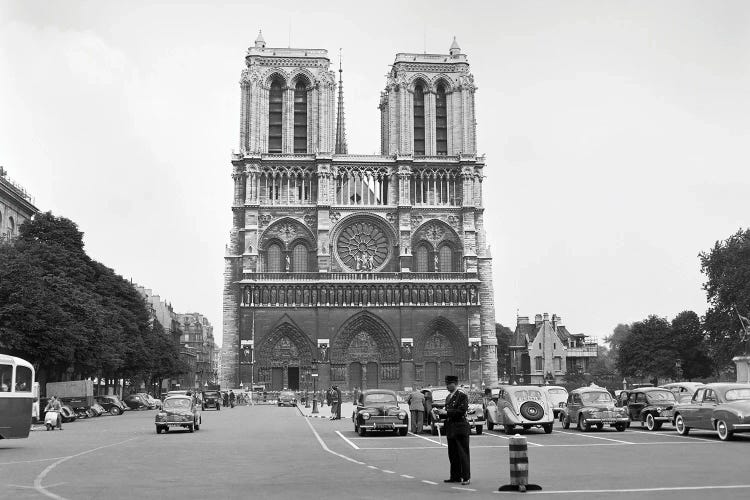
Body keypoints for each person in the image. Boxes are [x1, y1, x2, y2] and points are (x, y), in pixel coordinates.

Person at [434, 375, 470, 485]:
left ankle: (466, 477)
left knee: (463, 453)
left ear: (455, 384)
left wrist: (446, 412)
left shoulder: (461, 396)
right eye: (447, 384)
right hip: (451, 428)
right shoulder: (448, 397)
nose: (447, 386)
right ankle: (455, 476)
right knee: (453, 454)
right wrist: (439, 414)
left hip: (460, 427)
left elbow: (461, 411)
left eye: (449, 384)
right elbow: (447, 413)